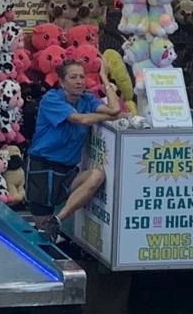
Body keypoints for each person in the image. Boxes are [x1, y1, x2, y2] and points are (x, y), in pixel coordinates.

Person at [26, 59, 124, 241]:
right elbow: (81, 120)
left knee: (97, 175)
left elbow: (115, 110)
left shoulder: (87, 99)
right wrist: (105, 116)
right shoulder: (51, 99)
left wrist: (104, 78)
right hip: (43, 166)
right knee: (43, 234)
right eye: (73, 77)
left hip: (68, 170)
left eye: (82, 77)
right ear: (62, 82)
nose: (79, 81)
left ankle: (58, 219)